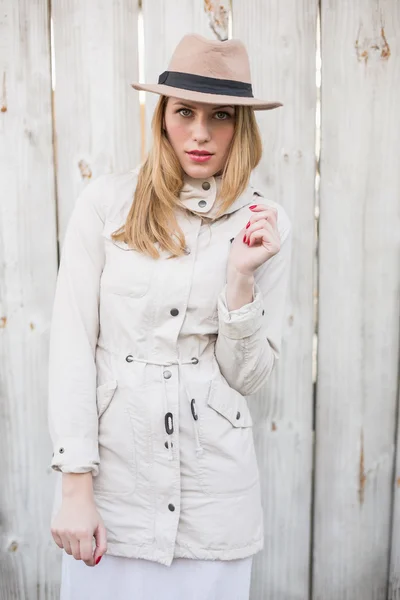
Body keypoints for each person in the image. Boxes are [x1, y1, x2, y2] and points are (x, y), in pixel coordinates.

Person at [48, 32, 292, 600]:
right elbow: (71, 347)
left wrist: (241, 279)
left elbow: (249, 378)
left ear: (242, 126)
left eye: (221, 116)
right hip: (113, 488)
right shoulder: (105, 206)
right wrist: (76, 486)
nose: (201, 133)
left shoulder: (266, 221)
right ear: (162, 117)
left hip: (214, 496)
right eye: (185, 111)